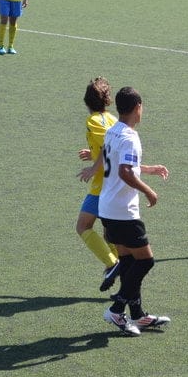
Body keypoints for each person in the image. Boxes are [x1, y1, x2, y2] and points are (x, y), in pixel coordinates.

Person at [99, 87, 170, 336]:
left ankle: (138, 315)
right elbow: (125, 172)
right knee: (145, 261)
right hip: (123, 211)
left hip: (107, 207)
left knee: (129, 261)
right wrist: (149, 191)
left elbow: (120, 164)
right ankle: (117, 309)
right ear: (138, 107)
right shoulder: (130, 137)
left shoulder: (112, 131)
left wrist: (147, 169)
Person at [75, 77, 121, 292]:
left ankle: (113, 264)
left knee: (83, 226)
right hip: (116, 183)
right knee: (109, 233)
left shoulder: (93, 120)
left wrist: (94, 168)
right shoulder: (112, 119)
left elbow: (108, 146)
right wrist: (93, 154)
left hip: (102, 185)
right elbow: (108, 147)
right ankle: (122, 274)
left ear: (87, 101)